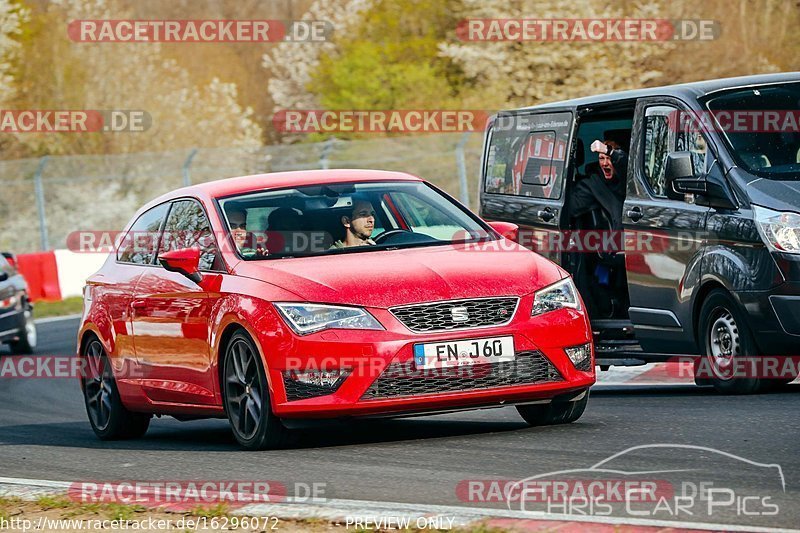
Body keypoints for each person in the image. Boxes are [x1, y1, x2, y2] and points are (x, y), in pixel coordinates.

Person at [569, 139, 628, 229]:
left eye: (609, 158)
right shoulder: (593, 184)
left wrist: (607, 150)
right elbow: (572, 207)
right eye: (601, 158)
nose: (604, 163)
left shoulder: (627, 180)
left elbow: (625, 162)